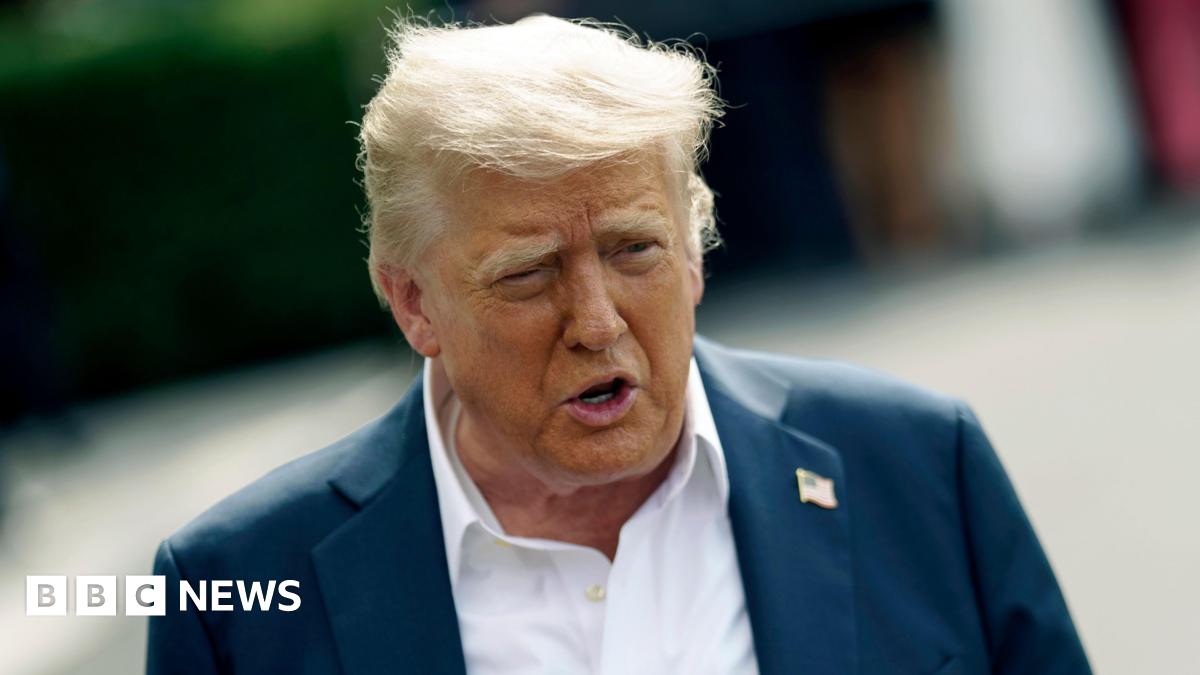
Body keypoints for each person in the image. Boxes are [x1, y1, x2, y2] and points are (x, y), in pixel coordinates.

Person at [146, 15, 1091, 675]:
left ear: (694, 250)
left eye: (635, 249)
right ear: (411, 303)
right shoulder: (234, 582)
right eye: (527, 274)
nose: (596, 321)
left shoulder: (919, 462)